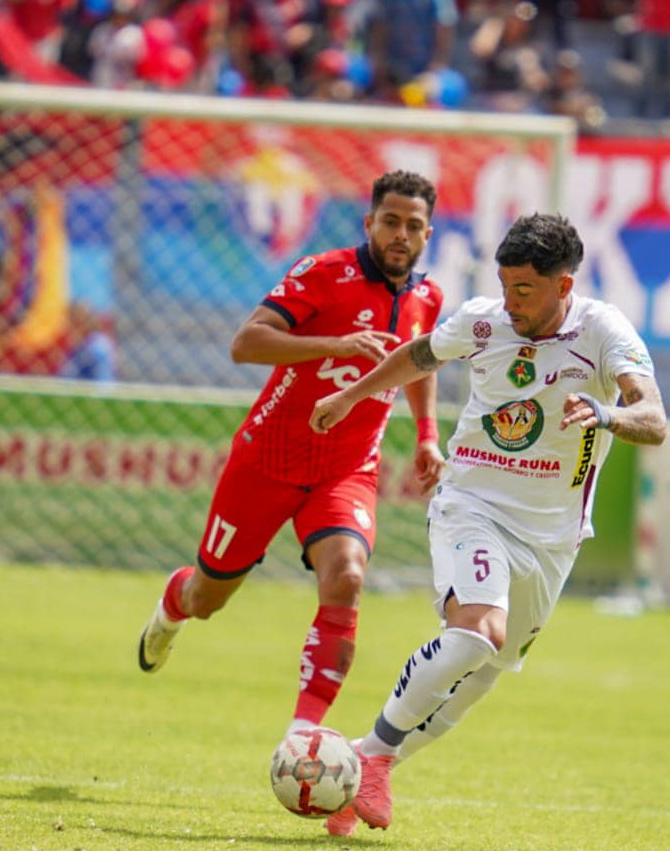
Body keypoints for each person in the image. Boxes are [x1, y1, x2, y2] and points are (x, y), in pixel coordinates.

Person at [309, 212, 667, 835]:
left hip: (553, 537)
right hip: (471, 505)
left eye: (524, 290)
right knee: (478, 635)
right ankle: (372, 759)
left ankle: (372, 757)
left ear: (563, 285)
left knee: (481, 678)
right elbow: (420, 355)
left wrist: (606, 416)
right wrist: (349, 396)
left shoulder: (604, 331)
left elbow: (655, 420)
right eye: (505, 286)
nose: (511, 302)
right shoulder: (482, 321)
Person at [136, 170, 445, 738]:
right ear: (369, 223)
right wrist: (335, 343)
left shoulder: (428, 296)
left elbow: (418, 360)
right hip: (266, 463)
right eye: (391, 222)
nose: (401, 234)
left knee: (348, 577)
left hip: (345, 471)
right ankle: (171, 608)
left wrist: (427, 433)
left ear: (428, 234)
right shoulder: (324, 274)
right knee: (208, 598)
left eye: (414, 226)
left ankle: (303, 738)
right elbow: (245, 343)